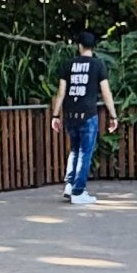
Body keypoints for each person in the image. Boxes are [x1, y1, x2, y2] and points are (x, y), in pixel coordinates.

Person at [52, 28, 116, 203]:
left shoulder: (68, 65)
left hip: (70, 114)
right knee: (85, 153)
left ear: (79, 46)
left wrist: (55, 115)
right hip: (88, 114)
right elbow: (106, 92)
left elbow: (61, 92)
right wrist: (113, 115)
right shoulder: (98, 65)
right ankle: (78, 192)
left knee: (74, 150)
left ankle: (70, 184)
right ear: (93, 47)